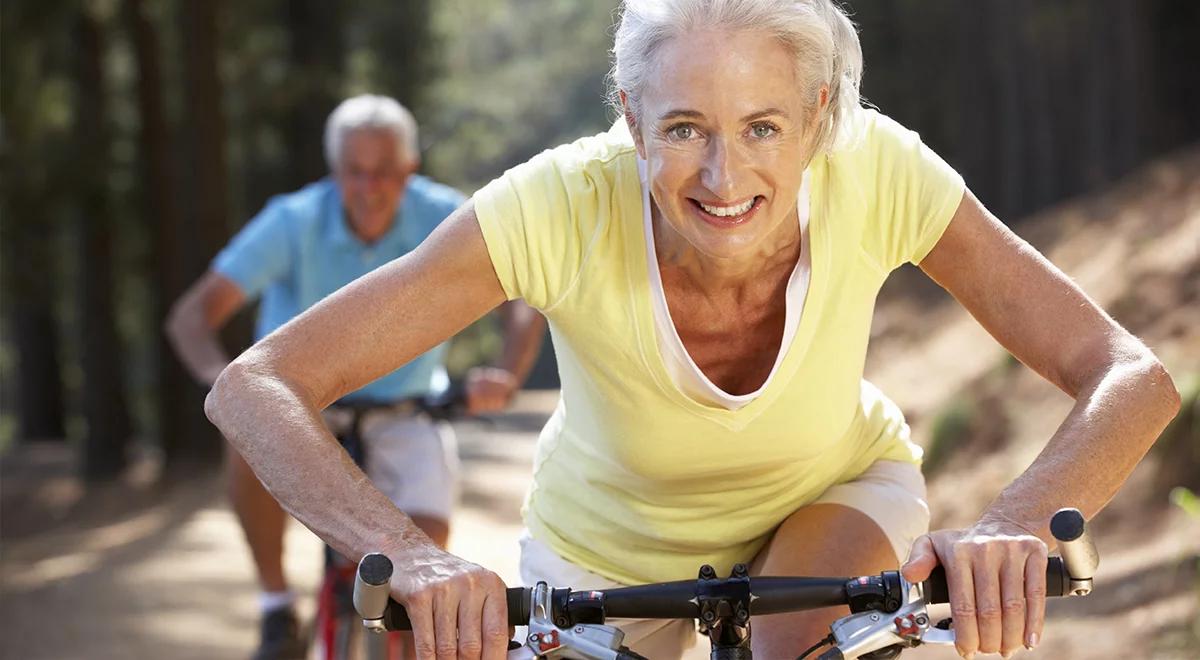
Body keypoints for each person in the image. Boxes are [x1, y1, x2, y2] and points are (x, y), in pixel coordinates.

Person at [203, 2, 1183, 659]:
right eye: (684, 130)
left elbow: (1127, 372)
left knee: (801, 648)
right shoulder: (554, 207)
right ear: (631, 121)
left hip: (830, 494)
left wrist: (1017, 518)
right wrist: (407, 554)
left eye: (762, 127)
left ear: (818, 116)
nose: (723, 180)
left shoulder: (879, 171)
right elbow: (256, 384)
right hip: (600, 552)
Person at [166, 94, 545, 660]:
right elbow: (192, 317)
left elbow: (523, 304)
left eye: (385, 172)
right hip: (301, 407)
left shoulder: (446, 213)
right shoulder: (292, 221)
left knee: (422, 577)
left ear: (410, 168)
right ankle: (275, 604)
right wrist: (222, 384)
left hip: (409, 410)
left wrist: (508, 373)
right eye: (355, 173)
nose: (369, 188)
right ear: (333, 172)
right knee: (248, 434)